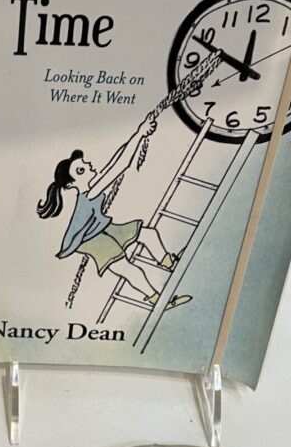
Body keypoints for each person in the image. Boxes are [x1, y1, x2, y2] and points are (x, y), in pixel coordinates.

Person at [37, 116, 190, 308]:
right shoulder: (90, 191)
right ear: (71, 184)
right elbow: (121, 165)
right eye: (81, 170)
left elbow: (115, 161)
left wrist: (137, 137)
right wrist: (140, 133)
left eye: (84, 164)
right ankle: (156, 299)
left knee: (147, 234)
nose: (88, 166)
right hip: (90, 240)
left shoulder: (92, 185)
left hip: (102, 229)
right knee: (127, 268)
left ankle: (168, 262)